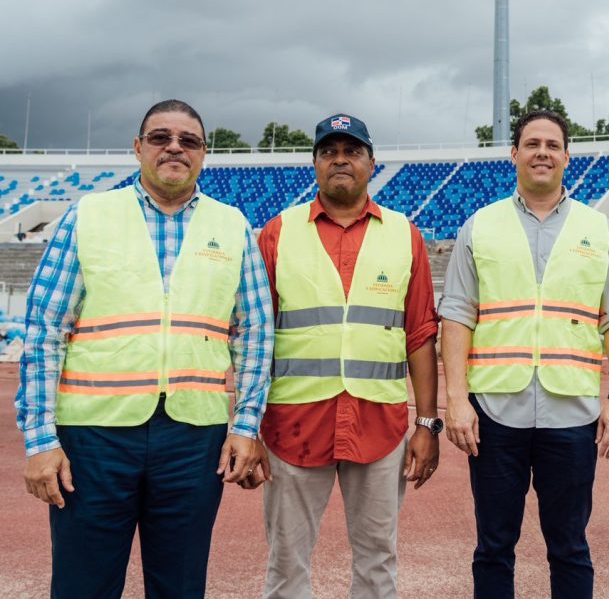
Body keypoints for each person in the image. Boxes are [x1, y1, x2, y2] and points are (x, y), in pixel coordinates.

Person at [16, 99, 274, 598]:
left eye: (189, 141)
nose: (174, 147)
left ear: (204, 154)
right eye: (160, 137)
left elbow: (256, 332)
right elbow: (45, 329)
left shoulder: (232, 225)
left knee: (179, 585)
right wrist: (40, 441)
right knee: (82, 585)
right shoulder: (87, 216)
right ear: (138, 148)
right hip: (93, 437)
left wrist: (245, 427)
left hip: (193, 438)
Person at [439, 109, 609, 598]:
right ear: (514, 154)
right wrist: (457, 399)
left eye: (552, 144)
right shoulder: (480, 226)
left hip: (571, 413)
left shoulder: (598, 229)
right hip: (495, 413)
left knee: (570, 546)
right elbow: (458, 314)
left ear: (567, 157)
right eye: (532, 144)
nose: (542, 152)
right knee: (493, 547)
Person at [246, 114, 440, 598]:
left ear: (371, 164)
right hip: (293, 424)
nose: (340, 160)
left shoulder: (404, 234)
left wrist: (428, 425)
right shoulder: (278, 233)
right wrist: (245, 427)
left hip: (379, 423)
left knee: (378, 560)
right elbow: (254, 333)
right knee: (287, 562)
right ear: (314, 163)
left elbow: (419, 334)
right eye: (328, 151)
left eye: (351, 151)